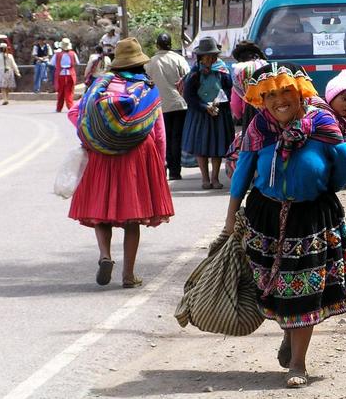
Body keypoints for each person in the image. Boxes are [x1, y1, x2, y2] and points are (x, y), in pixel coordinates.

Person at [223, 62, 346, 388]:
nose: (278, 101)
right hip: (266, 217)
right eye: (270, 94)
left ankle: (298, 363)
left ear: (300, 92)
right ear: (263, 98)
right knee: (274, 288)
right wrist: (231, 215)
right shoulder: (260, 126)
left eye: (285, 91)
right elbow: (243, 172)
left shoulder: (322, 121)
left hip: (311, 218)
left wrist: (323, 187)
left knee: (303, 291)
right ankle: (290, 333)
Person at [68, 37, 174, 288]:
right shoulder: (147, 89)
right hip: (138, 154)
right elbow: (159, 132)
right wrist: (160, 162)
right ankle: (128, 275)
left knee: (101, 212)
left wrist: (96, 135)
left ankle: (105, 256)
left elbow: (75, 113)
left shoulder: (99, 86)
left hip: (102, 154)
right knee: (132, 218)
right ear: (140, 63)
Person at [181, 37, 234, 189]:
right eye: (208, 56)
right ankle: (205, 178)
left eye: (213, 56)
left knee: (217, 147)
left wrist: (220, 101)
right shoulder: (195, 73)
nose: (211, 59)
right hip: (200, 114)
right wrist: (205, 107)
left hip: (219, 112)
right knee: (201, 147)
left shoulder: (222, 70)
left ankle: (215, 178)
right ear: (201, 57)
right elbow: (189, 96)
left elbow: (228, 90)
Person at [145, 33, 190, 181]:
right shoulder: (179, 59)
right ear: (171, 44)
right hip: (179, 104)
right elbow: (188, 79)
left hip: (159, 106)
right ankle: (175, 171)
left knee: (162, 138)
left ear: (157, 45)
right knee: (176, 138)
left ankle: (162, 169)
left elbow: (147, 82)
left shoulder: (150, 62)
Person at [230, 40, 268, 129]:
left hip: (249, 112)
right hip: (268, 108)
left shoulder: (238, 73)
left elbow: (235, 103)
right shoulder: (264, 66)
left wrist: (239, 116)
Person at [51, 38, 80, 112]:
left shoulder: (57, 54)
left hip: (61, 74)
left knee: (60, 92)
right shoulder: (73, 54)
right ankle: (70, 107)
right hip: (70, 74)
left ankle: (59, 108)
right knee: (69, 92)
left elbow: (51, 63)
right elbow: (77, 63)